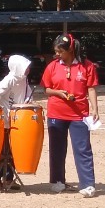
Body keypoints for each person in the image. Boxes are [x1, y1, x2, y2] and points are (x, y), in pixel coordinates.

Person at [41, 33, 99, 197]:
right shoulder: (52, 66)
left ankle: (87, 184)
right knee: (57, 149)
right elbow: (46, 89)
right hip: (56, 113)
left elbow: (91, 88)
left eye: (60, 51)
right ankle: (57, 181)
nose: (57, 54)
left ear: (71, 50)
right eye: (56, 51)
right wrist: (58, 93)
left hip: (79, 114)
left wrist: (95, 109)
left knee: (83, 148)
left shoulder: (87, 66)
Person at [0, 54, 34, 192]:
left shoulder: (24, 80)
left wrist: (29, 101)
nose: (28, 69)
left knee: (15, 151)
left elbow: (27, 94)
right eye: (26, 67)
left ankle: (9, 178)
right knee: (5, 152)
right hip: (6, 121)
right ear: (18, 67)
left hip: (19, 120)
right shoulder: (10, 79)